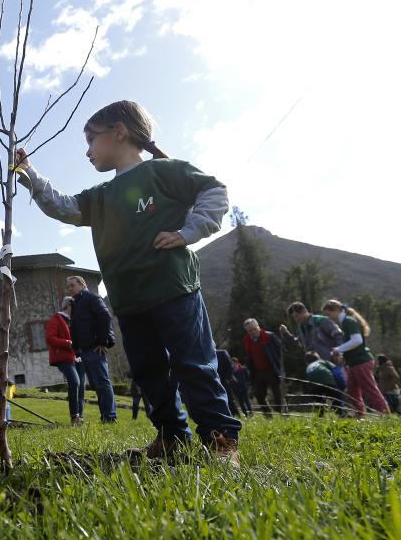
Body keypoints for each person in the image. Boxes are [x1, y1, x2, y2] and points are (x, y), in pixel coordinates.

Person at [17, 100, 240, 463]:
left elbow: (214, 190)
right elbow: (63, 206)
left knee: (193, 364)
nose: (87, 151)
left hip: (173, 288)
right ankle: (172, 438)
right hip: (129, 300)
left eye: (92, 139)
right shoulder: (101, 196)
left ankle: (221, 440)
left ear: (119, 132)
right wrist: (29, 173)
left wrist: (189, 231)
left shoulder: (163, 172)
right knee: (149, 371)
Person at [321, 300, 389, 416]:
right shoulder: (345, 322)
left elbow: (357, 340)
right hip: (353, 363)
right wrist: (342, 353)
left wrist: (339, 349)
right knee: (352, 391)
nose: (329, 318)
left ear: (337, 310)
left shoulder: (348, 321)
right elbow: (352, 343)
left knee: (370, 389)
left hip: (361, 362)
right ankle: (360, 415)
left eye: (329, 314)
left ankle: (385, 414)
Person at [65, 275, 117, 424]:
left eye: (72, 286)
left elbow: (105, 316)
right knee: (97, 385)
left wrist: (102, 342)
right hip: (84, 350)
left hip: (96, 348)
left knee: (102, 383)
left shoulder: (91, 297)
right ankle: (105, 417)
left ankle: (110, 417)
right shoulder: (76, 303)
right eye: (68, 287)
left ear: (82, 284)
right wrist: (75, 348)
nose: (70, 289)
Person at [46, 296, 85, 425]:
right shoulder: (56, 320)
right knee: (74, 382)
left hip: (78, 357)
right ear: (69, 306)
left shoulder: (74, 320)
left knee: (80, 387)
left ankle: (80, 418)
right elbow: (50, 338)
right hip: (63, 357)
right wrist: (67, 343)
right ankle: (74, 416)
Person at [242, 318, 285, 417]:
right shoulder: (247, 341)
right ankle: (267, 414)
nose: (253, 332)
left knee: (278, 394)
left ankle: (283, 414)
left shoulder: (269, 336)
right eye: (250, 331)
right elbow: (249, 356)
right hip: (257, 371)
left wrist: (279, 366)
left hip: (272, 369)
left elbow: (281, 350)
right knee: (259, 395)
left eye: (254, 329)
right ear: (247, 331)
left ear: (258, 327)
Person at [304, 351, 346, 415]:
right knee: (336, 397)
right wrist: (342, 385)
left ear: (307, 361)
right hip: (327, 380)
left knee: (318, 400)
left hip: (313, 385)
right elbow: (336, 372)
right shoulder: (322, 361)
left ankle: (320, 414)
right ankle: (340, 412)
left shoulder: (308, 367)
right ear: (318, 358)